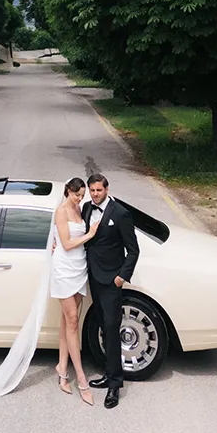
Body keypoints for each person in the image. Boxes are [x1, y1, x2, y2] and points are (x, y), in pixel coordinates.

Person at [83, 173, 140, 409]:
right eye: (92, 190)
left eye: (99, 190)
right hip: (93, 278)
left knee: (111, 328)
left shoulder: (120, 213)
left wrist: (121, 278)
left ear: (107, 189)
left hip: (111, 280)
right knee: (103, 328)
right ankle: (108, 373)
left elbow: (133, 250)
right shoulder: (86, 208)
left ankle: (115, 384)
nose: (96, 194)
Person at [50, 177, 99, 405]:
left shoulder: (79, 208)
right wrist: (89, 235)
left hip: (79, 268)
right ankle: (81, 378)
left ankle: (62, 368)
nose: (80, 199)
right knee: (72, 322)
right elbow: (66, 244)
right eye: (76, 195)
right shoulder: (61, 211)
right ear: (68, 191)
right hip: (64, 269)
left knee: (67, 321)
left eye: (82, 196)